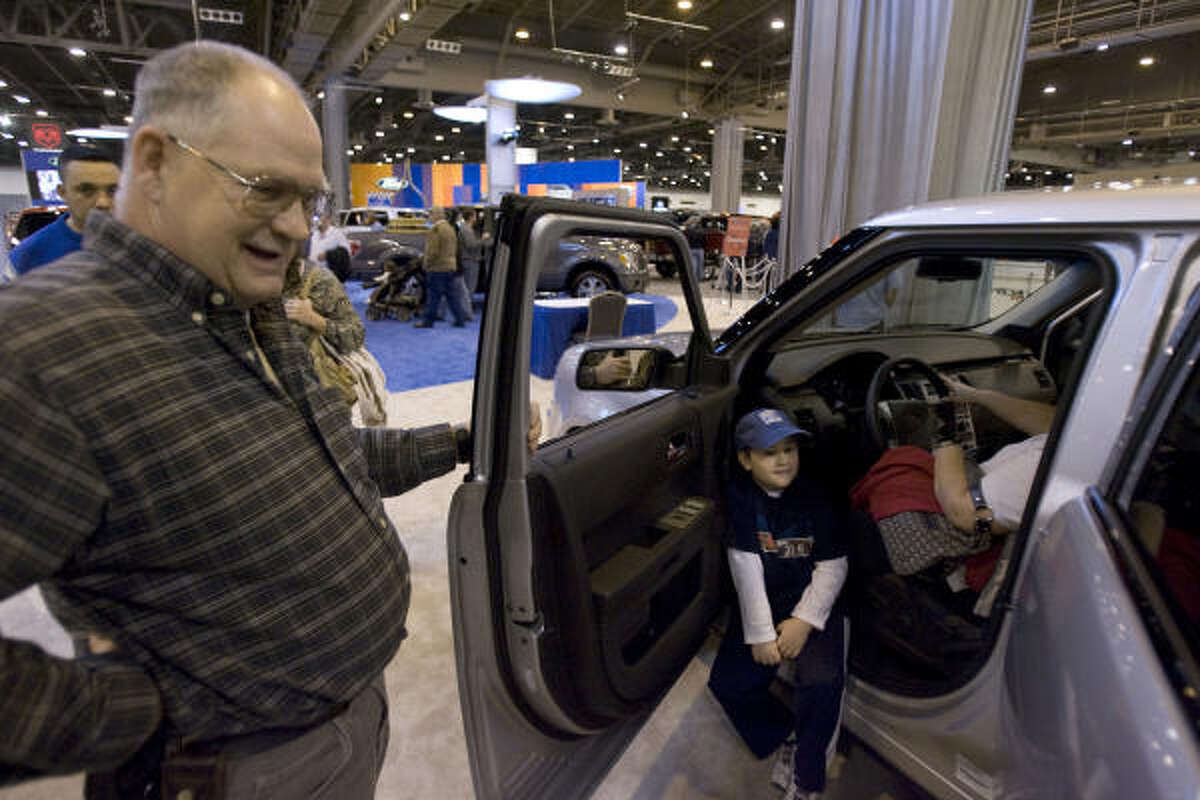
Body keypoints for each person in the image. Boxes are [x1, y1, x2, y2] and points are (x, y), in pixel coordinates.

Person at [0, 41, 542, 798]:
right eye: (264, 190)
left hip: (337, 729)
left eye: (307, 200)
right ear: (153, 161)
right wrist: (120, 717)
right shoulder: (43, 347)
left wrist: (459, 441)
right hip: (234, 766)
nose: (295, 228)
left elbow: (317, 459)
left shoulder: (241, 306)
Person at [708, 408, 849, 800]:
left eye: (790, 449)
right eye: (770, 452)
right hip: (767, 599)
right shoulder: (741, 499)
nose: (784, 459)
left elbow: (834, 565)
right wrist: (760, 634)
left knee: (823, 684)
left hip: (815, 601)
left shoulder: (816, 495)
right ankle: (786, 733)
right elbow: (745, 566)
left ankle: (808, 780)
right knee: (728, 683)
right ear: (745, 459)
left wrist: (803, 621)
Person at [851, 378, 1055, 589]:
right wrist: (976, 395)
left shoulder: (1048, 473)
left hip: (969, 531)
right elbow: (1055, 422)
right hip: (976, 487)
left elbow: (968, 515)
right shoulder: (1082, 436)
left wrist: (941, 437)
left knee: (865, 523)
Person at [8, 144, 120, 274]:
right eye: (87, 190)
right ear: (62, 192)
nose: (103, 202)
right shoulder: (27, 256)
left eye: (112, 190)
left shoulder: (138, 245)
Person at [415, 206, 468, 328]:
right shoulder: (450, 229)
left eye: (430, 214)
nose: (429, 217)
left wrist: (426, 264)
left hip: (437, 268)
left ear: (436, 215)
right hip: (450, 267)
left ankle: (428, 321)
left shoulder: (436, 230)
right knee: (452, 296)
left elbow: (432, 251)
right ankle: (460, 319)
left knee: (433, 296)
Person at [308, 211, 351, 280]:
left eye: (320, 218)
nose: (317, 222)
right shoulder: (314, 235)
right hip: (314, 275)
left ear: (327, 220)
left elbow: (345, 253)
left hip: (331, 277)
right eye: (316, 219)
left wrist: (328, 255)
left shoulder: (337, 234)